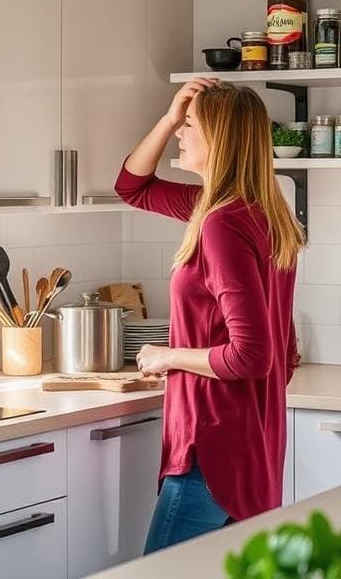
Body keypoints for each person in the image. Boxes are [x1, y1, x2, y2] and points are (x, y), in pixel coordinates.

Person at [114, 78, 305, 554]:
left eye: (190, 125)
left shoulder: (220, 223)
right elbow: (132, 187)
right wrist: (169, 115)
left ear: (217, 139)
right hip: (252, 442)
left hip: (212, 446)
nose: (180, 132)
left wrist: (167, 357)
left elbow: (252, 356)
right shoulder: (258, 212)